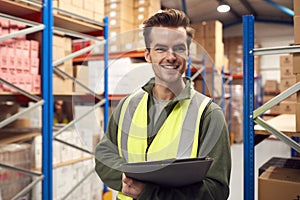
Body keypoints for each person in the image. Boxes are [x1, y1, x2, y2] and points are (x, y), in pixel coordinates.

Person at [95, 8, 231, 200]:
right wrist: (125, 178)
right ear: (148, 55)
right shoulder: (128, 105)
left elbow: (216, 191)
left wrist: (149, 193)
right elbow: (104, 153)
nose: (171, 56)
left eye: (179, 48)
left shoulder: (208, 114)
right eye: (160, 48)